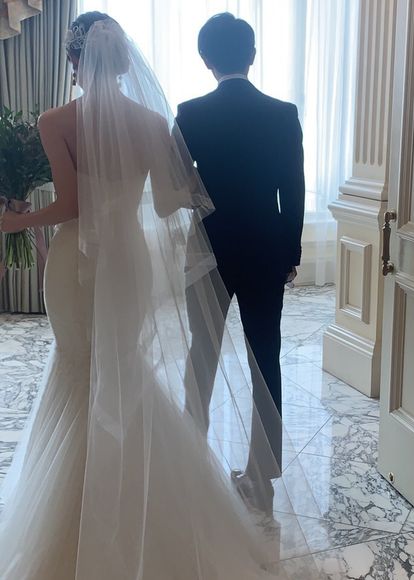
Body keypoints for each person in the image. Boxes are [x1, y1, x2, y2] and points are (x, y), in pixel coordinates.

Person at [0, 12, 321, 579]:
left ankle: (98, 488)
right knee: (150, 364)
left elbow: (73, 203)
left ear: (74, 61)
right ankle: (200, 483)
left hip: (90, 261)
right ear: (126, 60)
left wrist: (13, 218)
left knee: (94, 363)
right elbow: (177, 200)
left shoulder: (65, 120)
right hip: (149, 258)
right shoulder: (164, 119)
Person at [176, 13, 305, 499]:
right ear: (252, 55)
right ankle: (263, 470)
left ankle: (189, 457)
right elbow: (293, 190)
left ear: (204, 59)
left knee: (201, 351)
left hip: (207, 247)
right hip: (265, 248)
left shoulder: (189, 113)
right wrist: (290, 251)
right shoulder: (282, 113)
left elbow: (177, 185)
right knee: (265, 354)